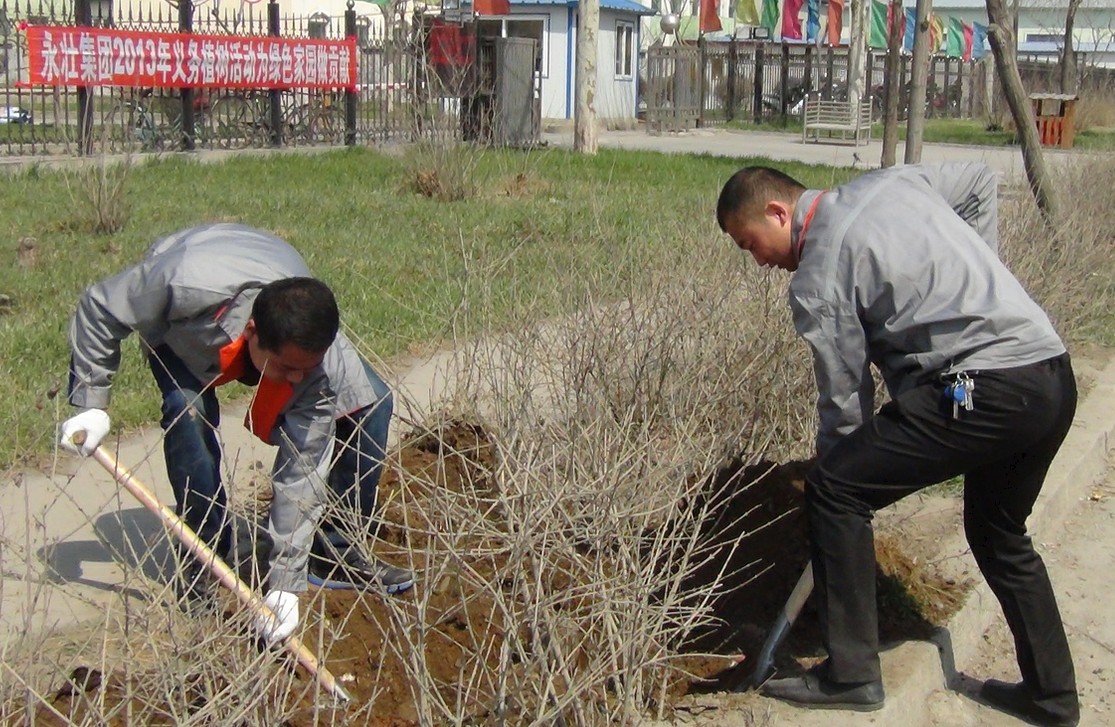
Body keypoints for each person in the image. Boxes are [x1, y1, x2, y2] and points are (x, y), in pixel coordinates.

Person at [715, 163, 1079, 726]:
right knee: (999, 532)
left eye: (750, 243)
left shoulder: (819, 273)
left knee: (835, 488)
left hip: (984, 390)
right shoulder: (897, 182)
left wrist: (837, 485)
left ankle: (852, 674)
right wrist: (983, 281)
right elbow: (980, 182)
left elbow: (844, 407)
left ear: (778, 213)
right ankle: (1052, 698)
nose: (758, 261)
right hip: (1049, 374)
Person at [59, 223, 414, 645]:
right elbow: (101, 306)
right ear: (252, 335)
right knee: (187, 414)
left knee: (369, 402)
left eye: (306, 368)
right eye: (287, 369)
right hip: (190, 327)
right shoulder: (180, 281)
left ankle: (330, 551)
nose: (297, 378)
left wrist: (285, 582)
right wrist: (91, 403)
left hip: (265, 263)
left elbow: (301, 471)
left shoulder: (314, 363)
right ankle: (205, 557)